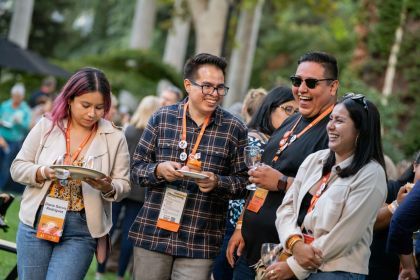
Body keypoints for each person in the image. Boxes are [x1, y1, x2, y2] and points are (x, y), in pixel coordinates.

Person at [129, 53, 248, 280]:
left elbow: (244, 183)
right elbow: (136, 169)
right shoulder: (162, 118)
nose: (214, 94)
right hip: (153, 232)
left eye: (220, 88)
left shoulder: (235, 128)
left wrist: (217, 182)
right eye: (207, 86)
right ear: (187, 85)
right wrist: (158, 170)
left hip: (200, 240)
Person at [227, 51, 340, 280]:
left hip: (284, 258)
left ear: (333, 87)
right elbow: (261, 177)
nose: (302, 89)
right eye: (297, 81)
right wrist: (241, 225)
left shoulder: (334, 131)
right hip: (249, 249)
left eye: (311, 83)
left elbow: (329, 194)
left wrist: (280, 182)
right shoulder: (291, 120)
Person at [10, 67, 130, 279]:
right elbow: (18, 168)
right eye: (85, 105)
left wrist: (108, 186)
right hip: (38, 219)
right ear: (70, 99)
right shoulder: (47, 125)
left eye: (99, 107)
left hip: (81, 228)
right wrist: (43, 172)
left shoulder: (114, 136)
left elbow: (124, 185)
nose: (92, 113)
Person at [270, 93, 387, 280]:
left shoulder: (371, 174)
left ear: (360, 130)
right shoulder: (314, 160)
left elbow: (345, 235)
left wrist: (294, 267)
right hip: (292, 256)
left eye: (339, 121)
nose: (330, 126)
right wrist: (295, 245)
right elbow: (286, 209)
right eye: (331, 118)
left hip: (335, 272)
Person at [213, 86, 297, 280]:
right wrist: (241, 226)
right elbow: (247, 184)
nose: (293, 117)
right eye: (288, 109)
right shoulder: (256, 141)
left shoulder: (279, 141)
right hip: (235, 225)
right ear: (269, 108)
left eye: (297, 112)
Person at [96, 95, 160, 280]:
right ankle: (120, 274)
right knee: (129, 234)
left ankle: (100, 270)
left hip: (120, 184)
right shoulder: (155, 137)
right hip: (140, 190)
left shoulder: (127, 130)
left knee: (109, 226)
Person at [387, 152, 420, 280]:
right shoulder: (392, 189)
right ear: (414, 166)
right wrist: (397, 204)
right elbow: (372, 221)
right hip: (387, 269)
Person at [0, 83, 32, 191]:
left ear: (22, 97)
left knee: (5, 165)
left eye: (18, 96)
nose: (16, 98)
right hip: (1, 137)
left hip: (14, 141)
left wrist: (20, 122)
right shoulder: (5, 105)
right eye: (14, 96)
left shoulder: (25, 109)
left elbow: (28, 127)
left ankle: (1, 188)